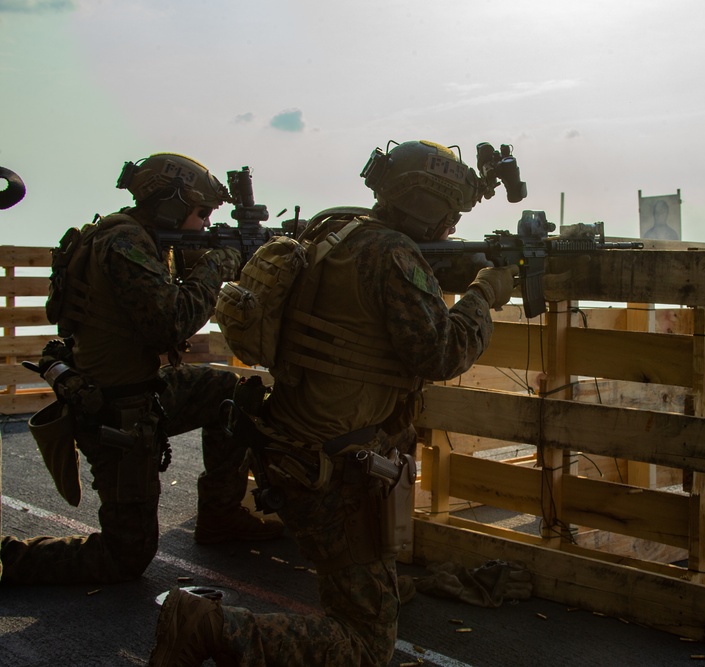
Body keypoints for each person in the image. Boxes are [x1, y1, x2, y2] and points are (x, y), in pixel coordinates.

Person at [147, 140, 520, 666]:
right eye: (450, 214)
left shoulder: (335, 231)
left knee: (373, 588)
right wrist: (485, 295)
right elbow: (443, 351)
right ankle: (208, 626)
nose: (453, 225)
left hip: (292, 447)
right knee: (367, 648)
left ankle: (365, 586)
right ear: (428, 206)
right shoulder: (393, 255)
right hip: (334, 472)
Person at [0, 153, 284, 586]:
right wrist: (219, 263)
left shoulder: (132, 236)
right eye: (201, 212)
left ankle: (220, 515)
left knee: (226, 390)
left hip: (137, 390)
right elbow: (170, 323)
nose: (206, 224)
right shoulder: (124, 244)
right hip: (116, 412)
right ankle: (11, 559)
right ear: (169, 204)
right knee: (126, 557)